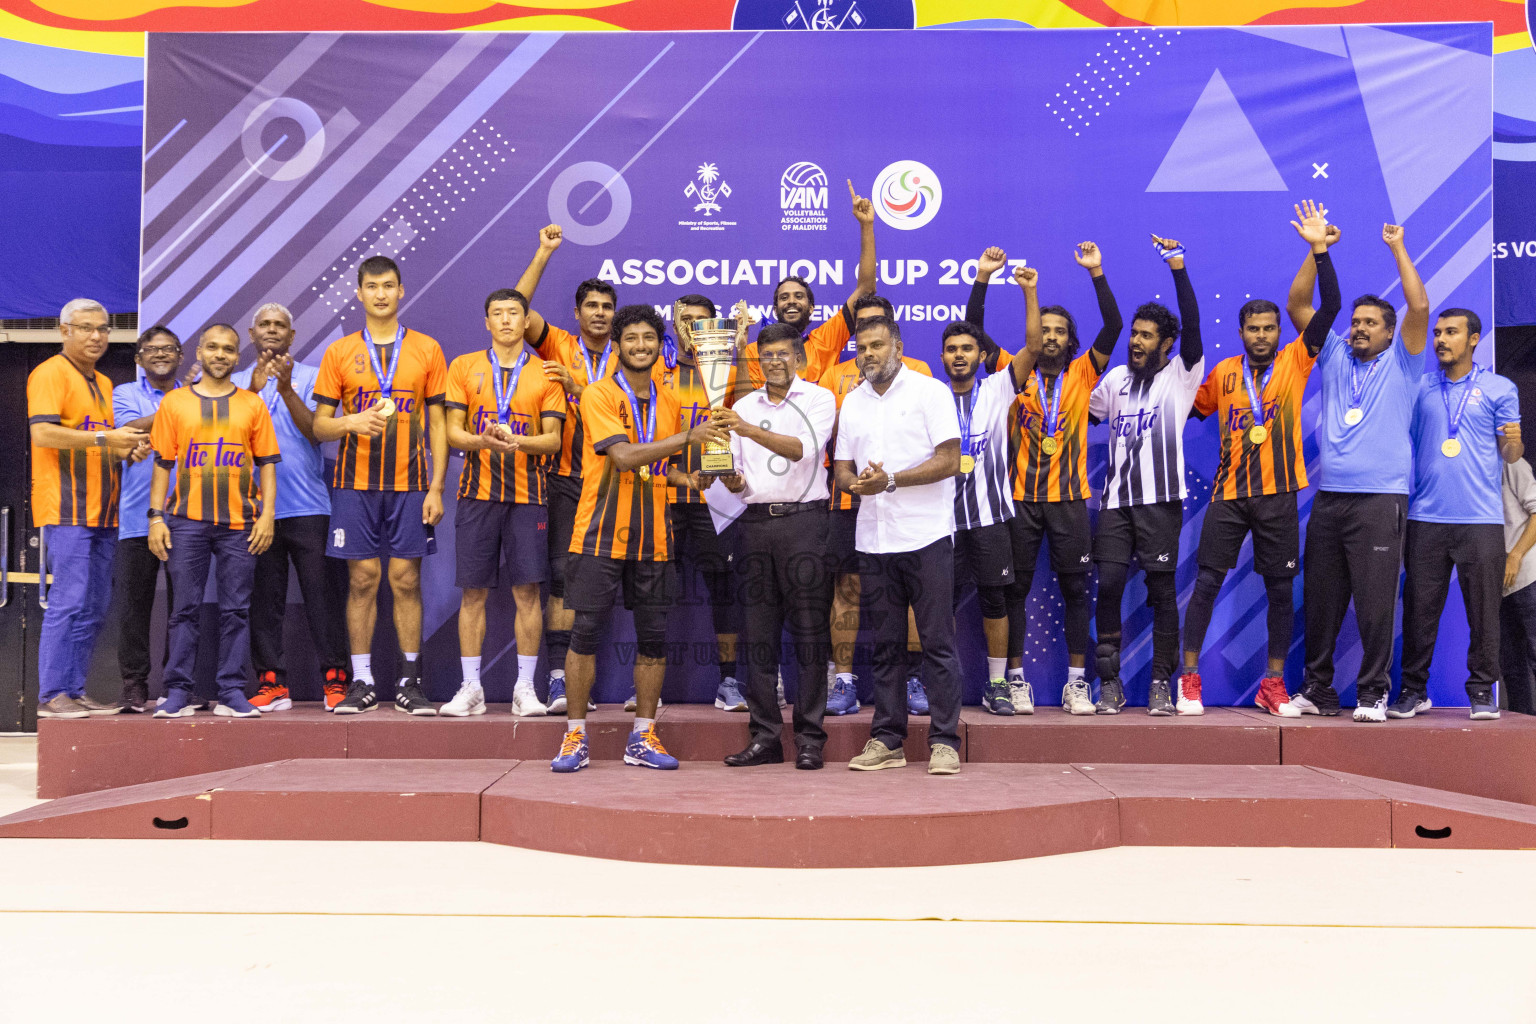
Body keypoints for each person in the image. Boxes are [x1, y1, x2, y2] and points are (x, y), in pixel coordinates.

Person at [549, 305, 727, 773]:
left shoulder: (668, 399)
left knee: (653, 639)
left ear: (658, 343)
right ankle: (574, 737)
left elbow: (653, 468)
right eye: (632, 339)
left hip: (654, 537)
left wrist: (683, 480)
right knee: (584, 634)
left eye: (649, 337)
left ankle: (643, 737)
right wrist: (688, 437)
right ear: (620, 345)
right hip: (599, 533)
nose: (641, 346)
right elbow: (625, 457)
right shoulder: (598, 394)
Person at [1181, 202, 1341, 717]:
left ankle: (1273, 683)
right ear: (1242, 332)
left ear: (1279, 333)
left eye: (1271, 328)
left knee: (1278, 589)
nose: (1263, 336)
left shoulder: (1298, 358)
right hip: (1228, 496)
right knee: (1206, 583)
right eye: (1254, 329)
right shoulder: (1224, 373)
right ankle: (1189, 679)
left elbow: (1331, 305)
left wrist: (1319, 251)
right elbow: (1188, 407)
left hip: (1278, 494)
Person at [969, 243, 1123, 714]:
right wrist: (982, 277)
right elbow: (974, 329)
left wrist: (1097, 271)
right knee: (1013, 589)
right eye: (1045, 330)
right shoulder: (1013, 371)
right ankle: (1015, 679)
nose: (1051, 338)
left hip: (1070, 500)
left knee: (1076, 589)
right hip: (1018, 499)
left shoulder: (1084, 373)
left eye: (1060, 331)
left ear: (1070, 340)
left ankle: (1078, 683)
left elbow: (1113, 325)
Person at [1288, 224, 1429, 720]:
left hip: (1380, 499)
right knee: (1322, 602)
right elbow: (1299, 306)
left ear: (1389, 332)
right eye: (1356, 320)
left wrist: (1397, 248)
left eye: (1372, 322)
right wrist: (1315, 250)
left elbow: (1419, 309)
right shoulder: (1334, 354)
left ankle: (1372, 693)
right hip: (1331, 499)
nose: (1360, 327)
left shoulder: (1405, 362)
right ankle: (1317, 691)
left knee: (1373, 605)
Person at [312, 256, 448, 715]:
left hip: (412, 484)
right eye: (372, 286)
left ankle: (411, 681)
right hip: (354, 484)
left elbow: (438, 425)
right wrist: (350, 420)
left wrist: (436, 488)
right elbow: (320, 427)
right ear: (359, 294)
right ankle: (363, 681)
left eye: (389, 285)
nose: (381, 294)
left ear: (401, 291)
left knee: (406, 579)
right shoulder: (339, 352)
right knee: (363, 579)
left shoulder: (427, 349)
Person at [832, 315, 963, 775]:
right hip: (874, 539)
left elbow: (949, 460)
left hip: (925, 535)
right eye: (861, 347)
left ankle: (945, 742)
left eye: (876, 345)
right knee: (886, 646)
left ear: (898, 347)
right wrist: (856, 486)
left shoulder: (931, 392)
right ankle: (887, 740)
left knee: (936, 643)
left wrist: (891, 481)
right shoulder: (852, 402)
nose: (867, 354)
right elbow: (842, 469)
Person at [1088, 235, 1205, 715]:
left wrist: (1177, 266)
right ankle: (1110, 684)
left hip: (1161, 503)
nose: (1135, 342)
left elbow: (1193, 323)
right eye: (1133, 334)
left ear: (1167, 344)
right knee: (1110, 586)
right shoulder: (1113, 381)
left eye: (1145, 336)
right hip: (1115, 504)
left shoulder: (1182, 373)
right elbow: (1080, 415)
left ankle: (1161, 682)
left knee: (1160, 593)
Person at [716, 323, 838, 768]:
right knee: (758, 638)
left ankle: (810, 739)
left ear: (800, 359)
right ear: (758, 361)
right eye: (766, 356)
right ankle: (765, 737)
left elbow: (802, 451)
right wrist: (732, 479)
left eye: (783, 354)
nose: (775, 362)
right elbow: (741, 478)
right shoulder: (742, 405)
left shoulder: (819, 399)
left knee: (809, 635)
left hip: (805, 523)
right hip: (753, 525)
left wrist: (745, 428)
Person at [439, 288, 566, 717]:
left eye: (515, 313)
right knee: (472, 592)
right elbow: (452, 432)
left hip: (530, 497)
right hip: (477, 494)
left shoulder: (547, 373)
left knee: (528, 593)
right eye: (498, 313)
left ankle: (524, 689)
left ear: (526, 320)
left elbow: (552, 440)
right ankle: (471, 687)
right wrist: (483, 441)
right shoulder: (463, 366)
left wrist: (518, 440)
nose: (507, 320)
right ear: (486, 322)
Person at [146, 324, 280, 719]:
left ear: (238, 357)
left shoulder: (253, 405)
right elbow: (162, 465)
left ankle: (232, 691)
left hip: (240, 524)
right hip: (185, 522)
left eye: (228, 349)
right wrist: (156, 517)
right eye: (212, 347)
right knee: (183, 609)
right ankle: (177, 692)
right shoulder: (174, 404)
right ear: (199, 354)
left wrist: (267, 515)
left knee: (236, 610)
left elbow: (268, 466)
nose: (220, 354)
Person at [1394, 309, 1521, 721]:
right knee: (1418, 610)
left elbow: (1511, 454)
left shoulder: (1499, 387)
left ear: (1474, 339)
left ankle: (1482, 691)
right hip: (1426, 518)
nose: (1440, 340)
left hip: (1481, 520)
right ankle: (1414, 690)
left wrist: (1514, 443)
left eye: (1451, 332)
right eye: (1437, 333)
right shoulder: (1420, 388)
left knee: (1484, 612)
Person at [514, 227, 619, 713]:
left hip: (614, 484)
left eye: (606, 306)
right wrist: (543, 252)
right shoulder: (556, 343)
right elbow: (516, 305)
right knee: (560, 579)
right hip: (562, 481)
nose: (600, 313)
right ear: (577, 314)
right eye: (591, 306)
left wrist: (582, 391)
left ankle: (585, 677)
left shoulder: (633, 355)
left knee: (601, 581)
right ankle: (559, 678)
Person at [29, 298, 150, 718]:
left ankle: (73, 689)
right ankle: (50, 695)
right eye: (85, 328)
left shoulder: (102, 382)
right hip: (65, 508)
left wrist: (124, 450)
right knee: (68, 599)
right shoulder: (49, 374)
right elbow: (44, 433)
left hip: (103, 510)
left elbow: (102, 442)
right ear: (64, 331)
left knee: (94, 604)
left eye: (102, 328)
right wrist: (105, 441)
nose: (96, 336)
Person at [817, 294, 933, 716]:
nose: (868, 342)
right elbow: (830, 439)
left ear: (892, 332)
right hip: (846, 498)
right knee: (846, 589)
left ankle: (912, 677)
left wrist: (888, 478)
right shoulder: (834, 377)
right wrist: (854, 482)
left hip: (904, 500)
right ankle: (844, 681)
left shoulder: (919, 372)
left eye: (877, 327)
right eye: (861, 328)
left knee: (907, 595)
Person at [232, 303, 351, 712]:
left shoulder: (314, 377)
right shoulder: (233, 382)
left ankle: (335, 681)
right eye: (263, 324)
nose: (271, 330)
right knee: (265, 600)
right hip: (254, 511)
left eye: (279, 325)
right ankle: (271, 684)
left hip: (308, 507)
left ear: (292, 335)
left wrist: (284, 389)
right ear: (251, 334)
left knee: (323, 597)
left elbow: (318, 434)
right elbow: (227, 433)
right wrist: (252, 389)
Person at [936, 295, 1045, 715]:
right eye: (952, 349)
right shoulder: (930, 397)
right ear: (942, 356)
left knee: (995, 602)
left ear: (982, 355)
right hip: (940, 523)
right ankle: (935, 684)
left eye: (967, 349)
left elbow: (1033, 348)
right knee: (937, 606)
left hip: (991, 519)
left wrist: (1028, 291)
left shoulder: (998, 388)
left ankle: (996, 683)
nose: (959, 355)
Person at [666, 295, 751, 713]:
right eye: (686, 321)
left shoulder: (731, 371)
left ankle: (729, 681)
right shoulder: (658, 373)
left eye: (701, 321)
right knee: (656, 594)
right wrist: (676, 473)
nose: (692, 328)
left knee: (725, 591)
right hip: (664, 497)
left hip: (716, 499)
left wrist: (743, 348)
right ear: (675, 325)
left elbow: (754, 422)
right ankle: (648, 684)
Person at [111, 326, 184, 713]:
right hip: (137, 519)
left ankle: (178, 685)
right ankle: (134, 686)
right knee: (133, 608)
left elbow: (144, 429)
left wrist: (151, 425)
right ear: (139, 358)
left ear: (180, 355)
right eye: (151, 349)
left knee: (182, 609)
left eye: (168, 348)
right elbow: (124, 432)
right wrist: (181, 413)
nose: (160, 354)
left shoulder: (196, 397)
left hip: (186, 518)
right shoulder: (125, 394)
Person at [741, 180, 877, 386]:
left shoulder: (826, 339)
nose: (791, 301)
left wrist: (866, 225)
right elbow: (747, 407)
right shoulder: (754, 351)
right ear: (775, 308)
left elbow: (866, 289)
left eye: (799, 296)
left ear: (811, 308)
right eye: (783, 298)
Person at [1499, 457, 1536, 715]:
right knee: (1510, 666)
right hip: (1497, 585)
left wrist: (1515, 555)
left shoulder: (1511, 462)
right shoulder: (1468, 466)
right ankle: (1523, 729)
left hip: (1529, 576)